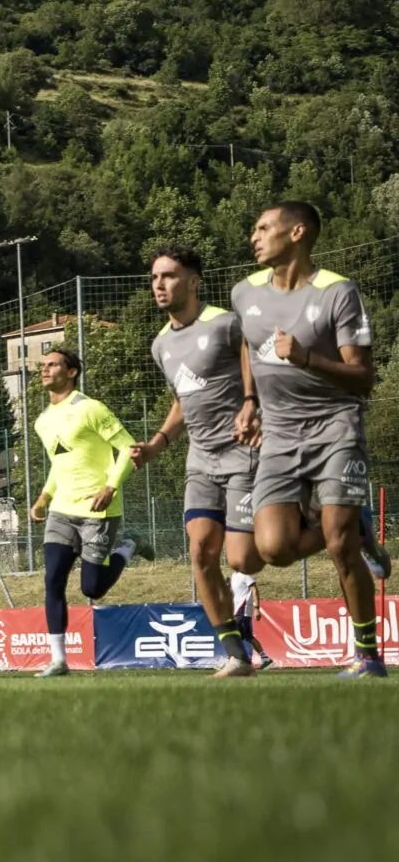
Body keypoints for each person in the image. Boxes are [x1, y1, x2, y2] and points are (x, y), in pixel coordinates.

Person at [234, 201, 389, 678]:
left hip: (335, 427)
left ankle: (367, 655)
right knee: (274, 550)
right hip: (278, 434)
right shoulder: (245, 292)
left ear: (297, 233)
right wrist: (249, 400)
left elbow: (364, 377)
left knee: (339, 545)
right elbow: (247, 341)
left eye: (264, 228)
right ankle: (353, 527)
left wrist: (305, 359)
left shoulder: (338, 292)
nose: (254, 237)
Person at [130, 245, 271, 677]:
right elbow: (182, 401)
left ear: (194, 281)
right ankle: (237, 654)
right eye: (155, 277)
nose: (159, 284)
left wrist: (252, 403)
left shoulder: (227, 324)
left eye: (169, 276)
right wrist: (157, 444)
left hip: (244, 452)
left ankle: (310, 518)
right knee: (200, 553)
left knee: (243, 559)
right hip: (200, 460)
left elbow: (259, 359)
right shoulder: (160, 346)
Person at [29, 347, 150, 678]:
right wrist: (44, 496)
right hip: (61, 510)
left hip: (100, 509)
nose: (45, 370)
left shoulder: (91, 408)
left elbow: (130, 447)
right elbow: (60, 461)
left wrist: (110, 486)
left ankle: (129, 546)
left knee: (92, 589)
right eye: (43, 365)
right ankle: (58, 661)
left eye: (53, 365)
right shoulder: (42, 421)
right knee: (52, 579)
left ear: (72, 372)